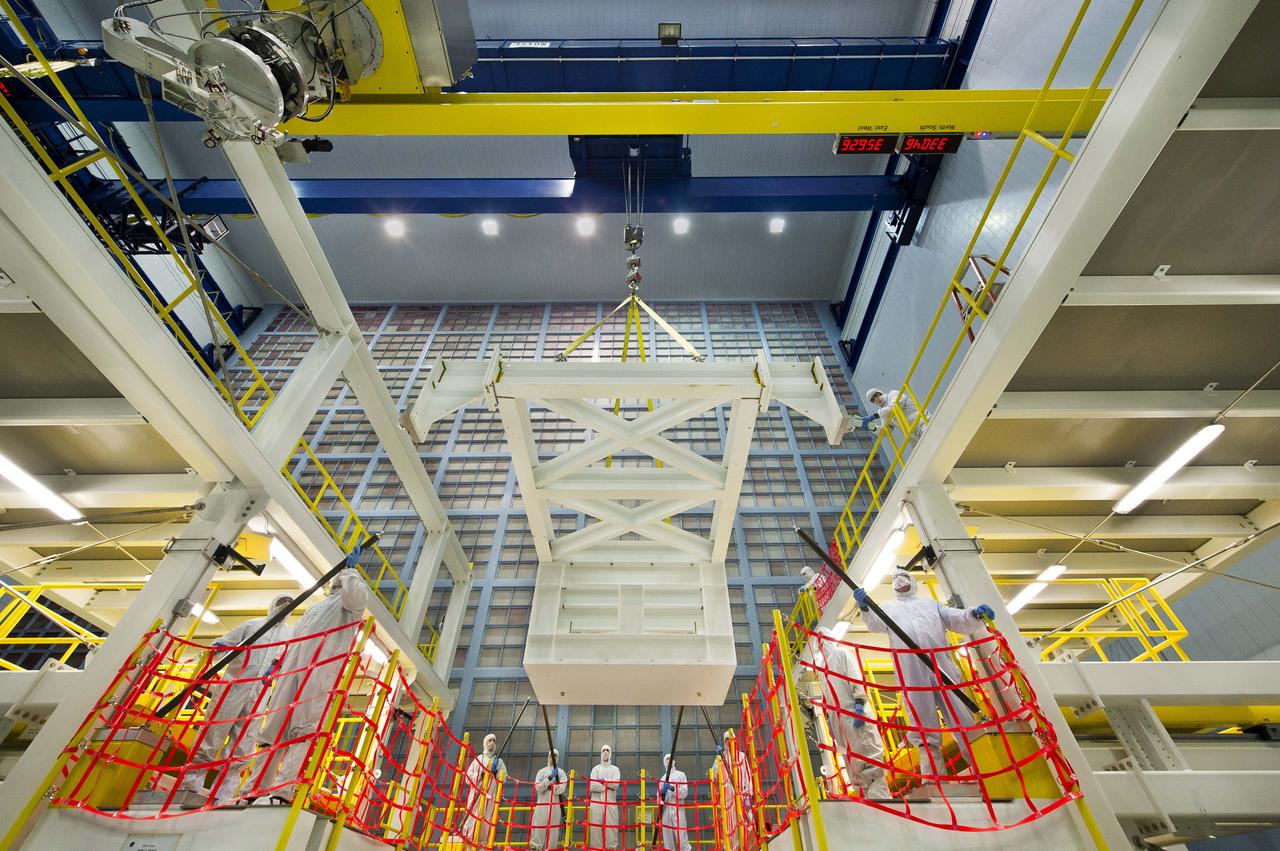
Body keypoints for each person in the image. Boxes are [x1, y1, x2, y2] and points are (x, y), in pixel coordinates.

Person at [853, 569, 995, 779]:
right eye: (894, 579)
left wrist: (975, 613)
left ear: (913, 580)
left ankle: (985, 770)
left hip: (943, 669)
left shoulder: (930, 605)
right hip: (913, 675)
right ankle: (935, 780)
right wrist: (864, 606)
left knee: (963, 720)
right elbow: (875, 624)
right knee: (924, 728)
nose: (898, 580)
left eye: (903, 576)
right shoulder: (888, 609)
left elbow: (956, 618)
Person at [253, 563, 370, 803]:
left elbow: (355, 595)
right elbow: (297, 637)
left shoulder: (350, 604)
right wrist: (279, 663)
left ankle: (282, 789)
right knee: (273, 728)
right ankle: (255, 788)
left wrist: (350, 571)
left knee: (303, 728)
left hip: (321, 670)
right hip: (292, 669)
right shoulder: (316, 608)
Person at [180, 593, 294, 804]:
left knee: (243, 745)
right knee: (212, 734)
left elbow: (290, 660)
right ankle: (190, 784)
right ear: (272, 604)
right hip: (233, 689)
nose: (284, 607)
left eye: (289, 605)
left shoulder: (290, 635)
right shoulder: (252, 626)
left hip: (260, 695)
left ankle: (222, 795)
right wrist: (220, 648)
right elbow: (222, 643)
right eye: (281, 603)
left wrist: (277, 667)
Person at [810, 626, 891, 800]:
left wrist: (860, 704)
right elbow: (828, 697)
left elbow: (855, 679)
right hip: (840, 721)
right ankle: (866, 799)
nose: (820, 643)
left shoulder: (842, 655)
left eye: (822, 639)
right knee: (852, 763)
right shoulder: (822, 668)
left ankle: (882, 801)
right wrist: (830, 721)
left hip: (854, 713)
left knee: (869, 758)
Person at [712, 730, 753, 850]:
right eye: (726, 740)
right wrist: (718, 757)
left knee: (747, 822)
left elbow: (748, 776)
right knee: (731, 826)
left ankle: (749, 847)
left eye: (730, 739)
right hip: (729, 798)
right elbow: (715, 774)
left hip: (742, 793)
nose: (728, 742)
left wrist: (748, 795)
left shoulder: (741, 756)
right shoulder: (722, 757)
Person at [461, 733, 505, 842]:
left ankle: (483, 846)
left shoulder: (499, 762)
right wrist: (480, 775)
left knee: (487, 823)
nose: (492, 743)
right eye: (490, 740)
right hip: (477, 796)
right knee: (472, 820)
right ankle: (469, 846)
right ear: (485, 743)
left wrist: (495, 773)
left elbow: (504, 779)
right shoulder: (478, 759)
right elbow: (468, 777)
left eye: (494, 741)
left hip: (490, 799)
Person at [530, 749, 567, 850]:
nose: (553, 757)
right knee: (538, 826)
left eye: (555, 755)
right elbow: (538, 787)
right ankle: (535, 848)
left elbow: (562, 788)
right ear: (548, 756)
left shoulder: (561, 773)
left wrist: (548, 785)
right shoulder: (541, 772)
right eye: (551, 755)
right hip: (542, 803)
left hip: (555, 805)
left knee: (553, 830)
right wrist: (550, 778)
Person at [588, 744, 621, 850]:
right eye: (603, 750)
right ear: (600, 753)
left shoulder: (615, 769)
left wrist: (602, 781)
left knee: (611, 827)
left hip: (610, 802)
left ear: (610, 753)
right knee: (595, 827)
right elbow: (592, 785)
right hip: (596, 802)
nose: (605, 752)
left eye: (607, 750)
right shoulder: (595, 769)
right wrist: (607, 785)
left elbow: (616, 784)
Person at [656, 754, 690, 851]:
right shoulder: (662, 779)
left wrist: (672, 789)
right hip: (666, 810)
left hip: (678, 809)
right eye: (667, 759)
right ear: (664, 762)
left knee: (681, 836)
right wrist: (661, 795)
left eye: (671, 758)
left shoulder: (681, 775)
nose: (669, 760)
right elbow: (658, 800)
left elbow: (684, 793)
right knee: (667, 837)